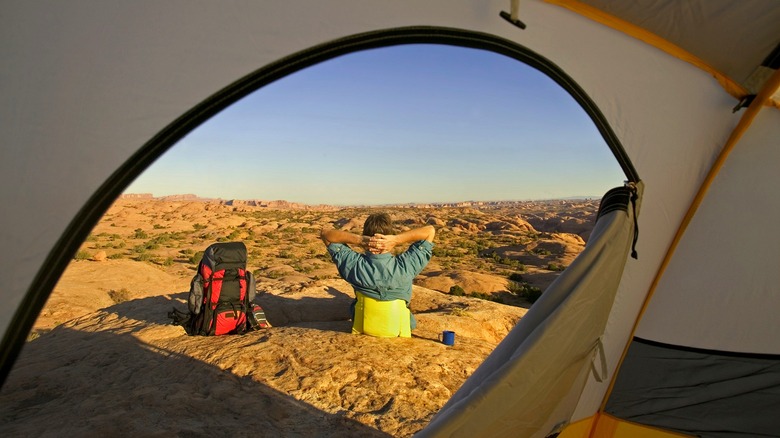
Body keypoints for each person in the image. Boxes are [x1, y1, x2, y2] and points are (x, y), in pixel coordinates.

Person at [321, 213, 435, 334]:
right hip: (399, 330)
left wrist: (360, 240)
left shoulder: (354, 264)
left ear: (365, 234)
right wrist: (396, 240)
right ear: (390, 236)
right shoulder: (406, 265)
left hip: (363, 327)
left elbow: (325, 234)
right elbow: (430, 231)